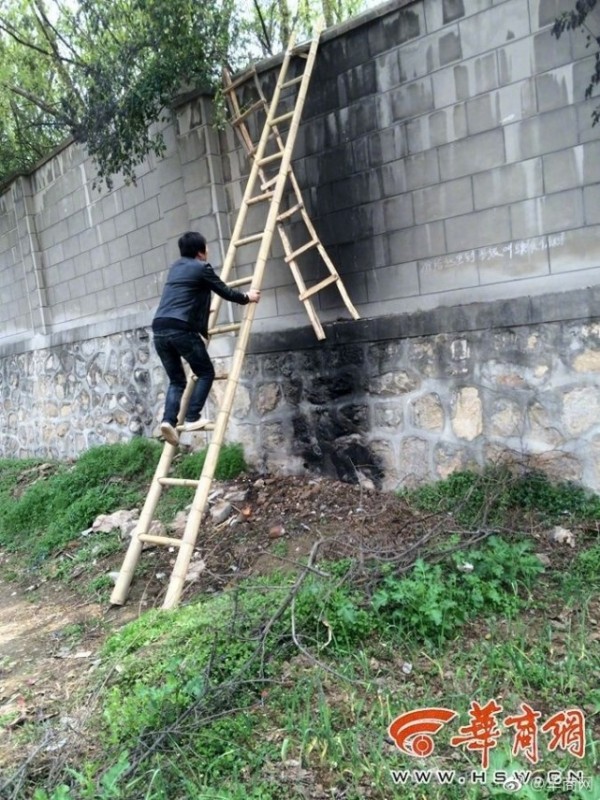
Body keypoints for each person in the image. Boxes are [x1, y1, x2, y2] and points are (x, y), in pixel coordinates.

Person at [152, 231, 260, 446]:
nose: (208, 251)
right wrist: (247, 297)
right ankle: (192, 417)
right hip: (181, 329)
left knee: (176, 380)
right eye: (206, 247)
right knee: (206, 372)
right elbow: (225, 292)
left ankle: (168, 421)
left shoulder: (175, 268)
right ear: (200, 251)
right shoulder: (202, 268)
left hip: (159, 328)